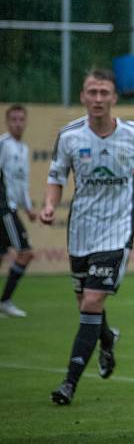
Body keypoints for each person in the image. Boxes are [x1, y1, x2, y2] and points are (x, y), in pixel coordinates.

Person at [41, 69, 134, 405]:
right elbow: (56, 176)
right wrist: (50, 205)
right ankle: (106, 340)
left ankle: (69, 383)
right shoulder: (69, 136)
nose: (98, 99)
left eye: (104, 92)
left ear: (114, 98)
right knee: (85, 304)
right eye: (92, 92)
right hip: (80, 230)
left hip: (117, 230)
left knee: (92, 301)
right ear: (82, 96)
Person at [0, 105, 37, 317]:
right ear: (7, 121)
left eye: (21, 119)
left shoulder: (23, 149)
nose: (18, 123)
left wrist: (29, 208)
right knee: (25, 252)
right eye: (13, 119)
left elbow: (21, 183)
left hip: (12, 207)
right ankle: (5, 301)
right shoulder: (3, 144)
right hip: (4, 209)